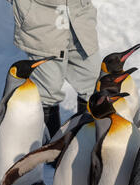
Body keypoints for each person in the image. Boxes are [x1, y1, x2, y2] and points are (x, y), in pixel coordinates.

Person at [7, 0, 101, 137]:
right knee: (48, 89)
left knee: (93, 82)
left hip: (79, 15)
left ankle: (83, 149)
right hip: (41, 19)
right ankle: (51, 153)